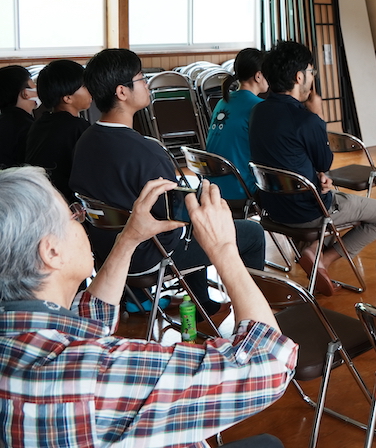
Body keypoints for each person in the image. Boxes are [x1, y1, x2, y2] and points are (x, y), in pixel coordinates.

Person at [0, 166, 296, 448]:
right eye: (74, 217)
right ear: (52, 251)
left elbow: (89, 321)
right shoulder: (91, 375)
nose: (83, 224)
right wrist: (223, 250)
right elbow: (269, 362)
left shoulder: (22, 336)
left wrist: (129, 238)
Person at [70, 48, 266, 315]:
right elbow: (172, 219)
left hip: (107, 252)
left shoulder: (85, 140)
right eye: (141, 78)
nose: (146, 84)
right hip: (148, 255)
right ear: (122, 92)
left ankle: (202, 304)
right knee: (250, 233)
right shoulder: (147, 151)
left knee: (189, 217)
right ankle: (257, 313)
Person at [249, 40, 376, 296]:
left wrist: (316, 177)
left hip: (271, 208)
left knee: (327, 191)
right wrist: (318, 116)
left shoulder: (257, 112)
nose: (311, 77)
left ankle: (312, 247)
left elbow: (288, 158)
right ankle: (322, 259)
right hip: (309, 210)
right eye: (311, 72)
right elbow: (325, 162)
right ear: (299, 76)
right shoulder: (306, 119)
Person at [25, 59, 92, 202]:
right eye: (85, 86)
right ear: (68, 98)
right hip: (65, 204)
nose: (91, 89)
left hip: (37, 198)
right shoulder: (78, 127)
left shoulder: (39, 124)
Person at [206, 48, 267, 200]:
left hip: (212, 187)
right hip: (241, 188)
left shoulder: (223, 101)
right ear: (258, 76)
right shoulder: (258, 107)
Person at [0, 65, 37, 168]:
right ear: (25, 93)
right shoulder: (28, 127)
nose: (36, 88)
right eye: (33, 84)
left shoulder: (3, 120)